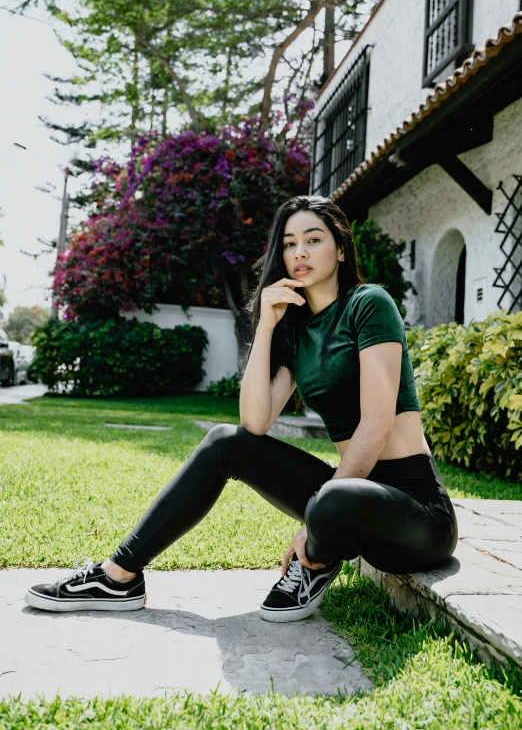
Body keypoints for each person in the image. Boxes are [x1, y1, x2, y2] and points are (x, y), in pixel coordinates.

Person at [25, 195, 458, 622]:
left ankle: (315, 561)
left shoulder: (369, 305)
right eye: (289, 244)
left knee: (333, 499)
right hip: (349, 495)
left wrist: (312, 523)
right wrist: (267, 325)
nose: (299, 252)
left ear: (341, 249)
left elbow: (378, 424)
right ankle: (117, 576)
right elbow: (255, 421)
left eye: (313, 239)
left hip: (416, 513)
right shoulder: (296, 331)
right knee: (226, 442)